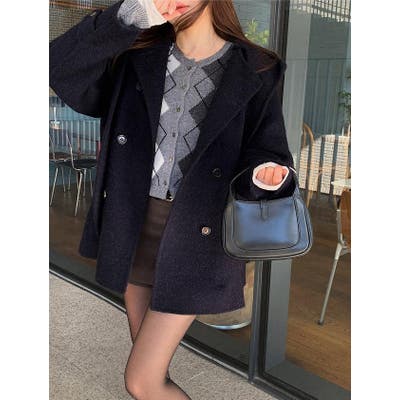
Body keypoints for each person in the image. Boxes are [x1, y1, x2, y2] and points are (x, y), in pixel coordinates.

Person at [50, 1, 294, 398]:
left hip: (195, 236)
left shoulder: (257, 67)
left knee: (142, 380)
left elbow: (267, 148)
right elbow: (56, 66)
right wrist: (129, 15)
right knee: (148, 369)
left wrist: (265, 175)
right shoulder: (137, 53)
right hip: (132, 226)